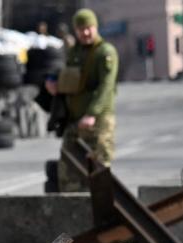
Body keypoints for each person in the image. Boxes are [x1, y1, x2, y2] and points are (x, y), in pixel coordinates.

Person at [44, 9, 118, 192]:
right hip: (74, 121)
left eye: (88, 28)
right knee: (67, 172)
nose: (85, 33)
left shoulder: (105, 52)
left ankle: (102, 215)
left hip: (97, 122)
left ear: (95, 27)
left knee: (98, 171)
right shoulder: (75, 53)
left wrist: (92, 114)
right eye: (80, 29)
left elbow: (106, 87)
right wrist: (54, 82)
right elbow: (69, 75)